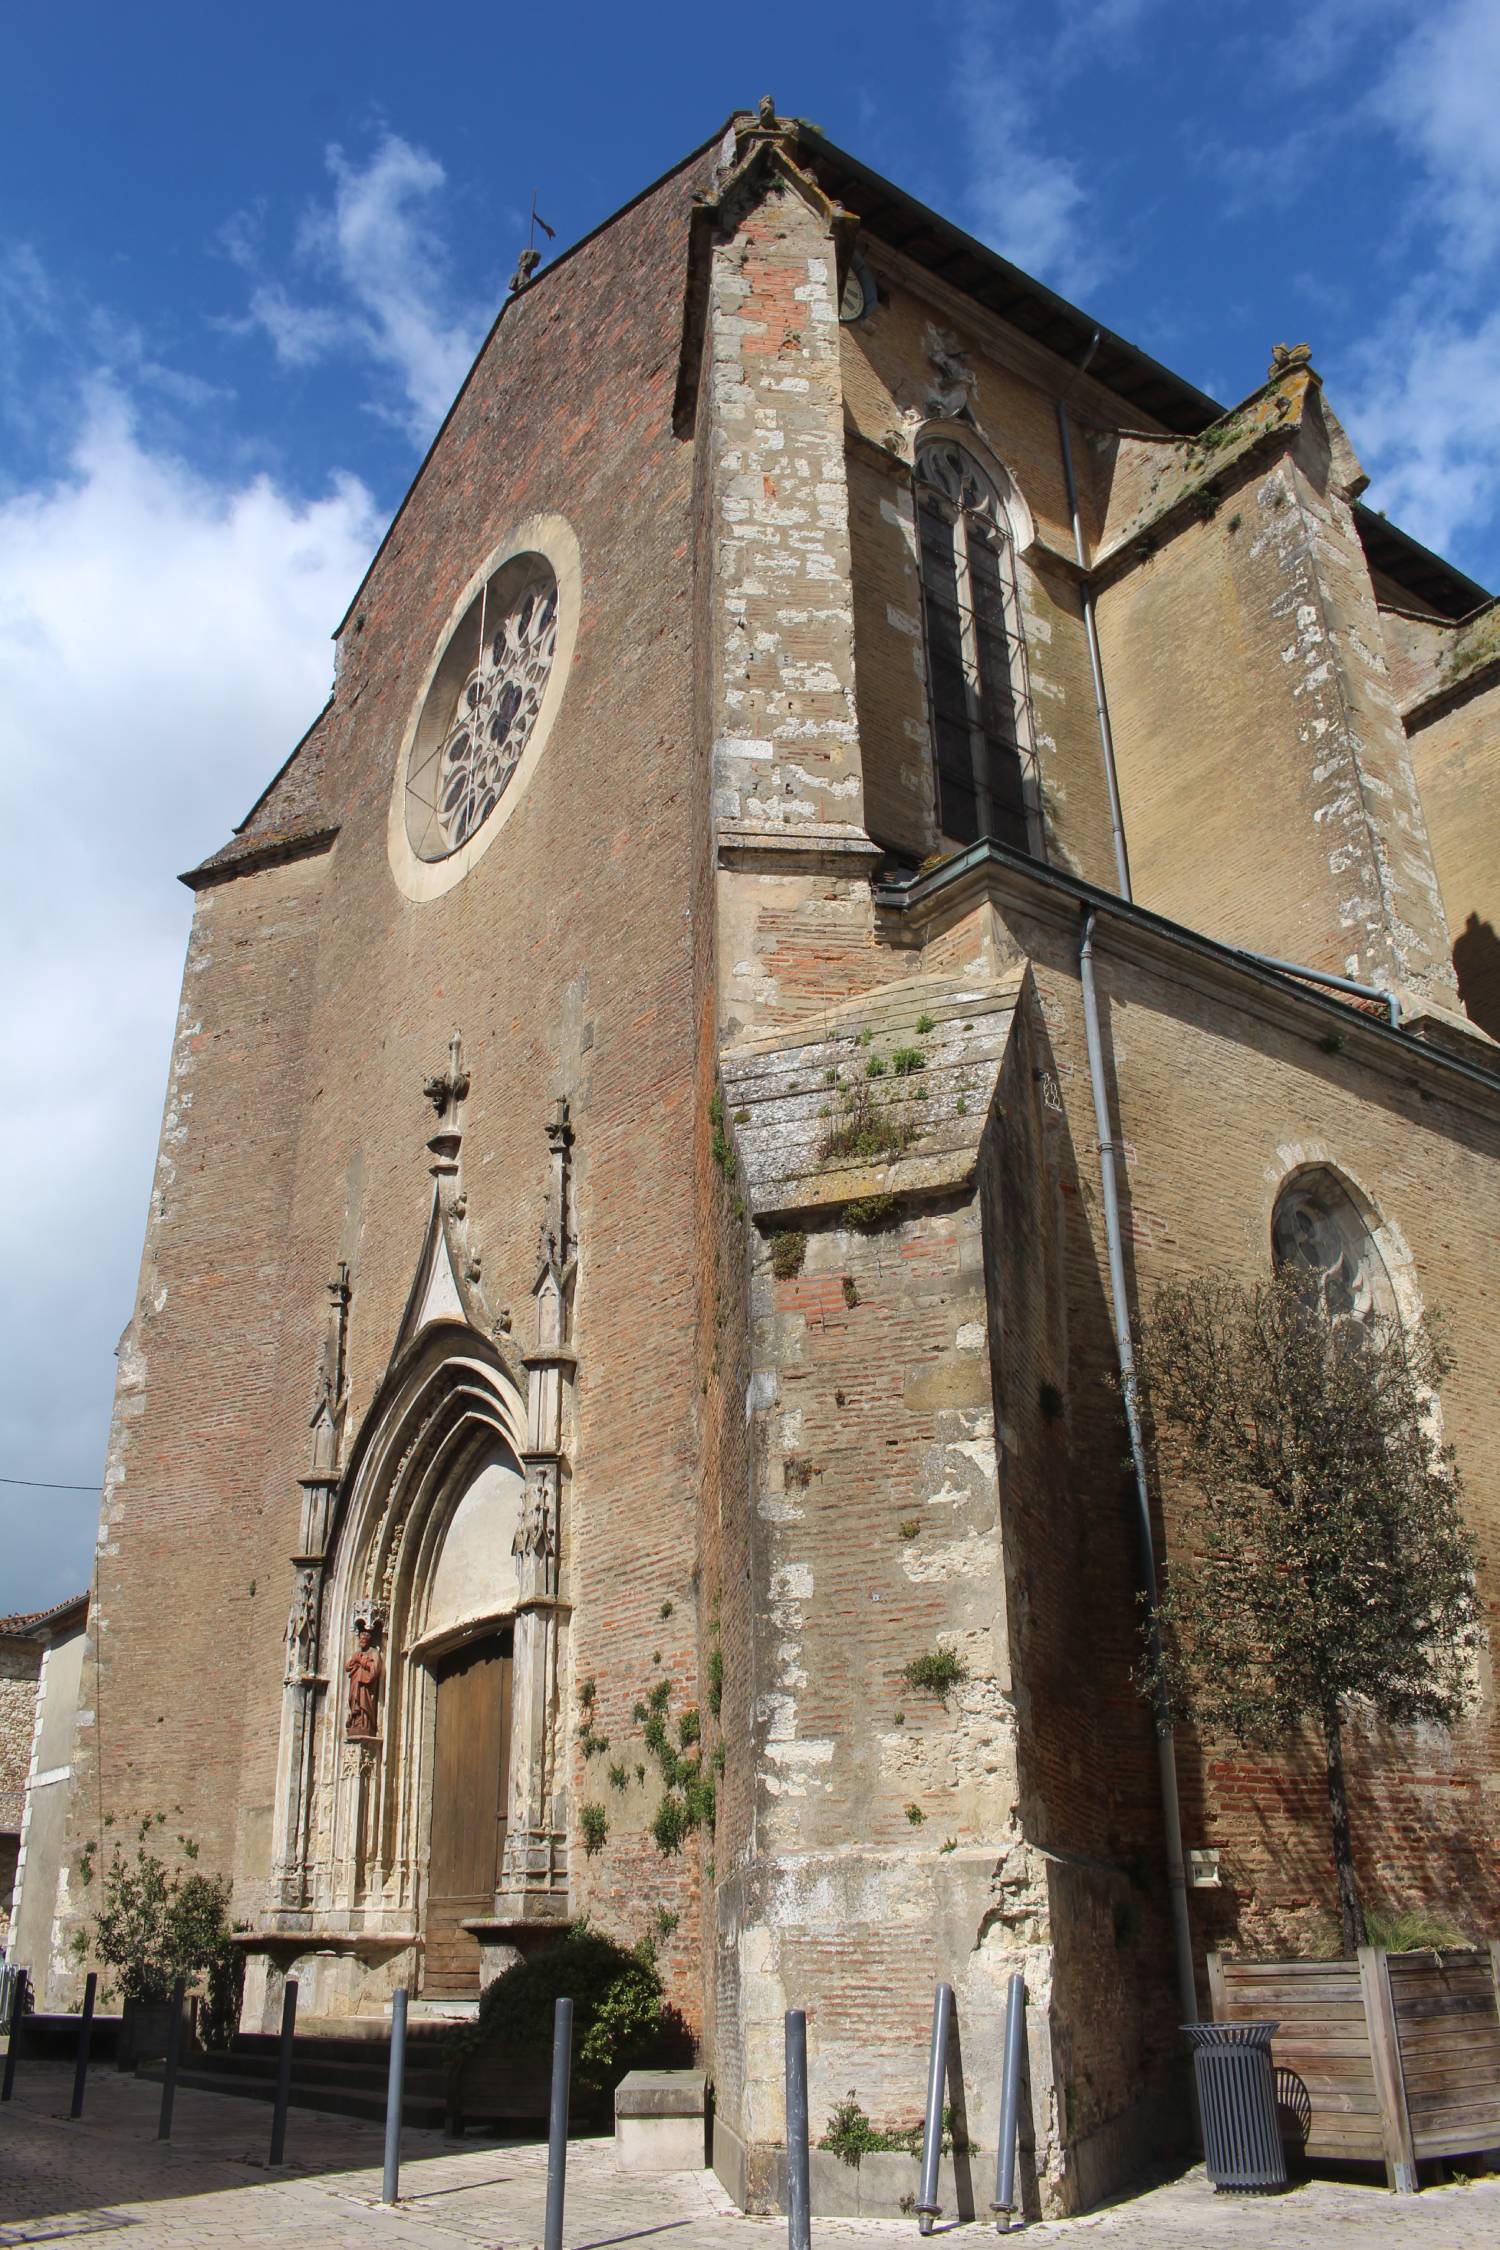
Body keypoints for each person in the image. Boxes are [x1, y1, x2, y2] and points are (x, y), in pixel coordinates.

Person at [345, 1621, 383, 1738]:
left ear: (368, 1641)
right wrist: (354, 1661)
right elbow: (347, 1667)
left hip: (366, 1685)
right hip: (355, 1682)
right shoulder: (357, 1653)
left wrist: (362, 1661)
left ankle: (365, 1725)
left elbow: (375, 1669)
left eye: (363, 1640)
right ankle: (356, 1723)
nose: (361, 1642)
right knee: (354, 1700)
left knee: (364, 1704)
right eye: (360, 1639)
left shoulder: (374, 1652)